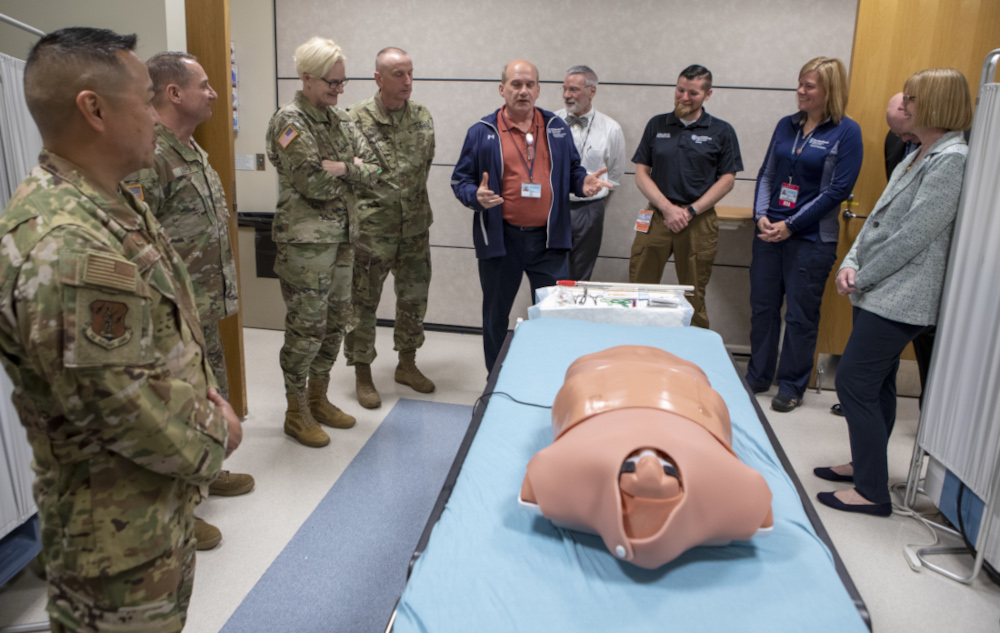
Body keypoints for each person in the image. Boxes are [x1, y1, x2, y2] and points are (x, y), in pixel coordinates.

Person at [0, 27, 241, 631]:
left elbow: (161, 337)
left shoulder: (110, 203)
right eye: (145, 100)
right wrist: (218, 433)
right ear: (94, 108)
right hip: (113, 542)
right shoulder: (66, 244)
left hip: (150, 509)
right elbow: (124, 405)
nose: (157, 118)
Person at [816, 68, 972, 516]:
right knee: (877, 383)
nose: (904, 105)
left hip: (904, 294)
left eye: (913, 99)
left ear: (937, 104)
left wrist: (861, 275)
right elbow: (879, 220)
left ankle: (871, 492)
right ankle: (865, 466)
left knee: (854, 381)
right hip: (880, 285)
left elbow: (912, 236)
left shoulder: (951, 160)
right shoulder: (918, 153)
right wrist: (851, 263)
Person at [123, 52, 253, 551]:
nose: (215, 93)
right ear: (174, 93)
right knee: (176, 407)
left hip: (203, 306)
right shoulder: (149, 155)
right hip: (170, 313)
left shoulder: (192, 150)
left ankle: (206, 470)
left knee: (207, 394)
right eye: (205, 84)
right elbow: (137, 242)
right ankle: (179, 506)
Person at [451, 59, 612, 372]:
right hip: (503, 240)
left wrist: (583, 183)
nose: (523, 91)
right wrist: (475, 196)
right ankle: (495, 380)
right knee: (496, 316)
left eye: (529, 85)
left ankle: (547, 374)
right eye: (515, 84)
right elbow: (461, 180)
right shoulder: (482, 132)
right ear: (502, 89)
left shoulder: (556, 128)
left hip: (548, 242)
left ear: (538, 90)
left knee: (553, 313)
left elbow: (573, 170)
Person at [266, 36, 381, 447]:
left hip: (343, 239)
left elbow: (374, 171)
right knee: (307, 327)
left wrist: (343, 167)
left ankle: (319, 397)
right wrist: (351, 169)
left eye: (342, 83)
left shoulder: (342, 120)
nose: (338, 90)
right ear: (307, 78)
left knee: (336, 322)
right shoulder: (289, 121)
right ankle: (296, 410)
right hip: (306, 246)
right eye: (332, 83)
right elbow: (311, 181)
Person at [745, 57, 863, 412]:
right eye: (800, 83)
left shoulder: (847, 132)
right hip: (769, 234)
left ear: (830, 91)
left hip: (810, 240)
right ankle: (757, 375)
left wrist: (791, 225)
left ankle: (792, 384)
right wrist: (762, 215)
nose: (800, 91)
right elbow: (767, 174)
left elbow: (837, 191)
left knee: (800, 314)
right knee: (763, 308)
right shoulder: (787, 125)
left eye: (809, 86)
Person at [346, 47, 435, 409]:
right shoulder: (354, 119)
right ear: (378, 78)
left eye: (411, 73)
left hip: (414, 227)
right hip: (371, 231)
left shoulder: (423, 117)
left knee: (414, 299)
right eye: (399, 74)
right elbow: (347, 173)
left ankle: (407, 364)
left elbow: (425, 165)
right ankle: (363, 372)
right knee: (363, 304)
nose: (408, 81)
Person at [628, 65, 743, 328]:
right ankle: (635, 348)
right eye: (680, 90)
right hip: (657, 217)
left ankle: (695, 358)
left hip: (698, 221)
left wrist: (690, 211)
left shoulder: (721, 131)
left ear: (707, 94)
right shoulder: (657, 124)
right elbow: (641, 173)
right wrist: (667, 208)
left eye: (693, 92)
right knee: (638, 290)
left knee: (693, 296)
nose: (684, 97)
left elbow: (727, 180)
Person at [554, 65, 627, 281]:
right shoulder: (550, 123)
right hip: (555, 207)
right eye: (565, 89)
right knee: (552, 271)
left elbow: (614, 175)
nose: (567, 95)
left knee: (581, 273)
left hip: (590, 209)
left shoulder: (611, 128)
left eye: (574, 90)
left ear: (592, 91)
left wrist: (594, 198)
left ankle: (574, 315)